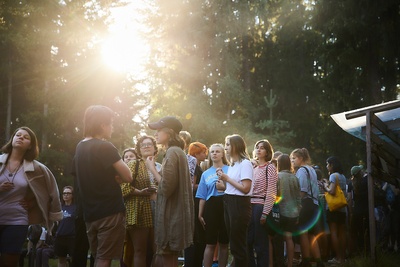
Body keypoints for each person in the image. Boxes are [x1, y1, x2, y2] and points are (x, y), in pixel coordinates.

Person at [71, 105, 133, 267]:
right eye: (111, 123)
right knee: (104, 259)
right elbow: (128, 176)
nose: (112, 128)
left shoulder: (80, 147)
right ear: (102, 125)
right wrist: (118, 177)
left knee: (98, 255)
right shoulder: (105, 146)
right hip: (109, 212)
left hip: (90, 214)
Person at [0, 126, 63, 267]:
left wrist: (34, 203)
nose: (21, 137)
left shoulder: (37, 168)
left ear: (30, 146)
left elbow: (50, 190)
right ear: (12, 139)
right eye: (18, 135)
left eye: (26, 137)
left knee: (9, 262)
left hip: (17, 220)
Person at [146, 116, 194, 267]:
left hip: (172, 216)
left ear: (169, 132)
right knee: (163, 258)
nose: (156, 134)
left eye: (159, 130)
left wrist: (152, 168)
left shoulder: (173, 152)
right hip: (175, 214)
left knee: (168, 258)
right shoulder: (177, 151)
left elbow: (166, 187)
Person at [121, 135, 160, 267]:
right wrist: (140, 192)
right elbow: (124, 187)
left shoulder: (161, 166)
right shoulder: (133, 164)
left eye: (150, 144)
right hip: (139, 211)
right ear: (138, 149)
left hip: (160, 210)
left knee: (158, 251)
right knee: (140, 250)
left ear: (155, 148)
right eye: (143, 145)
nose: (147, 146)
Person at [217, 134, 253, 267]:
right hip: (228, 201)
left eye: (227, 144)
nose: (225, 147)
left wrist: (227, 179)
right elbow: (232, 187)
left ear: (236, 146)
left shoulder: (245, 164)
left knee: (238, 245)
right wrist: (223, 184)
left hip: (239, 204)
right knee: (234, 244)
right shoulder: (233, 165)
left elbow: (245, 188)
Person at [196, 144, 229, 267]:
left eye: (218, 151)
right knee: (210, 242)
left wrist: (224, 187)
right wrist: (200, 214)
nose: (214, 153)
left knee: (224, 242)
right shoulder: (205, 174)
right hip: (211, 207)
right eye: (212, 151)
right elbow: (202, 196)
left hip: (226, 205)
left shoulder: (230, 169)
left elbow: (235, 189)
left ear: (222, 154)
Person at [290, 148, 323, 267]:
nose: (292, 161)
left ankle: (306, 260)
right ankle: (319, 261)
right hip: (314, 203)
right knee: (311, 234)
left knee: (303, 232)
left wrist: (295, 205)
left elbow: (302, 191)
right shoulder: (312, 169)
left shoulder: (301, 171)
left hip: (306, 203)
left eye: (294, 158)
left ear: (301, 158)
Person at [247, 139, 276, 267]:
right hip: (248, 206)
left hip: (260, 206)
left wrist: (265, 212)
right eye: (257, 147)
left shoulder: (270, 167)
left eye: (262, 148)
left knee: (260, 244)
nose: (259, 149)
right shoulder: (252, 167)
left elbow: (271, 190)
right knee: (247, 241)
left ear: (267, 152)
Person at [185, 142, 208, 267]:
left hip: (198, 201)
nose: (205, 155)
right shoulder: (193, 163)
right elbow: (191, 185)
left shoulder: (198, 164)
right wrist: (207, 184)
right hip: (194, 202)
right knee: (195, 235)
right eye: (204, 152)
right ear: (196, 153)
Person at [277, 154, 301, 267]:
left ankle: (280, 262)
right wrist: (298, 213)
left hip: (281, 212)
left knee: (278, 239)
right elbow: (298, 197)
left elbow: (275, 195)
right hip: (293, 213)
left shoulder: (278, 176)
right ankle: (290, 264)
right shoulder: (295, 177)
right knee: (289, 238)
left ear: (279, 164)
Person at [322, 156, 347, 265]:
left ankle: (337, 258)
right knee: (342, 233)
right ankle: (343, 258)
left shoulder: (333, 175)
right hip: (342, 208)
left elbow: (331, 191)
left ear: (332, 165)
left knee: (334, 233)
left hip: (333, 208)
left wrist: (325, 186)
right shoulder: (343, 176)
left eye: (328, 164)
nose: (327, 166)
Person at [347, 165, 369, 256]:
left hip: (356, 211)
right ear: (360, 172)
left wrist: (351, 212)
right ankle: (367, 252)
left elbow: (349, 199)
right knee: (367, 232)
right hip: (366, 210)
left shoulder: (352, 184)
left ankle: (359, 252)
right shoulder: (366, 181)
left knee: (358, 233)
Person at [55, 186, 76, 267]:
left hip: (72, 237)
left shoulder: (75, 207)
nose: (66, 195)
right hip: (60, 236)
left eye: (68, 193)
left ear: (72, 195)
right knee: (61, 260)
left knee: (73, 259)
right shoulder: (59, 207)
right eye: (64, 193)